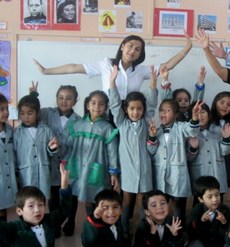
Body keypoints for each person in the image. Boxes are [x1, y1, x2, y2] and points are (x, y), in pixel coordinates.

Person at [33, 34, 193, 101]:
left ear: (140, 54)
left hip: (130, 115)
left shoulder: (141, 71)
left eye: (138, 50)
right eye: (130, 46)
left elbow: (167, 66)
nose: (133, 51)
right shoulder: (106, 64)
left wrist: (187, 48)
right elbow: (74, 67)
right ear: (122, 46)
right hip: (106, 114)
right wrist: (46, 71)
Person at [108, 65, 157, 241]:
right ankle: (123, 231)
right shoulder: (122, 123)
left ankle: (142, 231)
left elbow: (151, 103)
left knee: (141, 202)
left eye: (139, 109)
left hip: (144, 170)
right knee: (126, 201)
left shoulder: (147, 123)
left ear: (143, 110)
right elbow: (114, 105)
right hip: (128, 171)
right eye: (131, 109)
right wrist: (112, 82)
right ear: (126, 110)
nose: (135, 112)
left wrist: (153, 82)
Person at [29, 82, 81, 237]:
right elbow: (32, 111)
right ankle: (55, 225)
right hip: (51, 163)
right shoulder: (46, 113)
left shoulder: (80, 120)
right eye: (61, 97)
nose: (64, 101)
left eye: (69, 98)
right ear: (56, 98)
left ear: (75, 101)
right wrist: (33, 96)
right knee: (53, 197)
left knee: (71, 195)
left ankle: (70, 222)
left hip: (71, 163)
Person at [65, 90, 119, 236]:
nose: (97, 106)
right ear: (88, 105)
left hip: (96, 167)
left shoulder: (107, 128)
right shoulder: (77, 124)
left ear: (106, 107)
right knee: (72, 197)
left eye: (101, 104)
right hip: (76, 167)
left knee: (91, 199)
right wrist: (63, 158)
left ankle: (94, 228)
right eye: (93, 103)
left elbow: (112, 152)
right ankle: (70, 222)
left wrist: (113, 172)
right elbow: (68, 145)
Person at [147, 99, 202, 225]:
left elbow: (192, 130)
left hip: (177, 175)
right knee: (161, 205)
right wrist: (152, 136)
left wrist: (194, 117)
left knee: (178, 207)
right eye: (161, 110)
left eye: (168, 110)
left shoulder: (180, 127)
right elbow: (151, 150)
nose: (163, 113)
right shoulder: (156, 130)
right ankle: (162, 230)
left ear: (176, 114)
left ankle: (179, 232)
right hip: (161, 174)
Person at [0, 163, 71, 247]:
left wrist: (64, 187)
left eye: (40, 205)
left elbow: (64, 210)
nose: (37, 210)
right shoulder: (14, 228)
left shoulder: (49, 221)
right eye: (31, 206)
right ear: (19, 211)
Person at [13, 94, 58, 199]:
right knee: (28, 200)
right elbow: (14, 153)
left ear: (37, 113)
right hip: (26, 173)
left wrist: (52, 148)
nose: (26, 117)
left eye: (30, 113)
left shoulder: (46, 130)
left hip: (43, 172)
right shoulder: (17, 133)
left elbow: (51, 152)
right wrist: (15, 173)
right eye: (22, 113)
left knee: (43, 200)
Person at [188, 102, 230, 197]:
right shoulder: (189, 133)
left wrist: (225, 138)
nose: (200, 115)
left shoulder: (218, 130)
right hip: (200, 173)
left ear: (208, 114)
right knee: (200, 201)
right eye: (197, 113)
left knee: (218, 200)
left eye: (203, 112)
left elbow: (225, 152)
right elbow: (189, 158)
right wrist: (193, 148)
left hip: (217, 173)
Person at [187, 176, 230, 247]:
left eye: (217, 195)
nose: (215, 200)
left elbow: (227, 235)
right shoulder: (197, 210)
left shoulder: (224, 210)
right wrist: (201, 221)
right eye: (210, 197)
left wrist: (224, 222)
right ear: (201, 199)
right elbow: (191, 233)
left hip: (219, 243)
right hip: (201, 242)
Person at [0, 94, 18, 222]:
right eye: (1, 109)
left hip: (7, 178)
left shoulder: (10, 130)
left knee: (3, 210)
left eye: (6, 108)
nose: (6, 112)